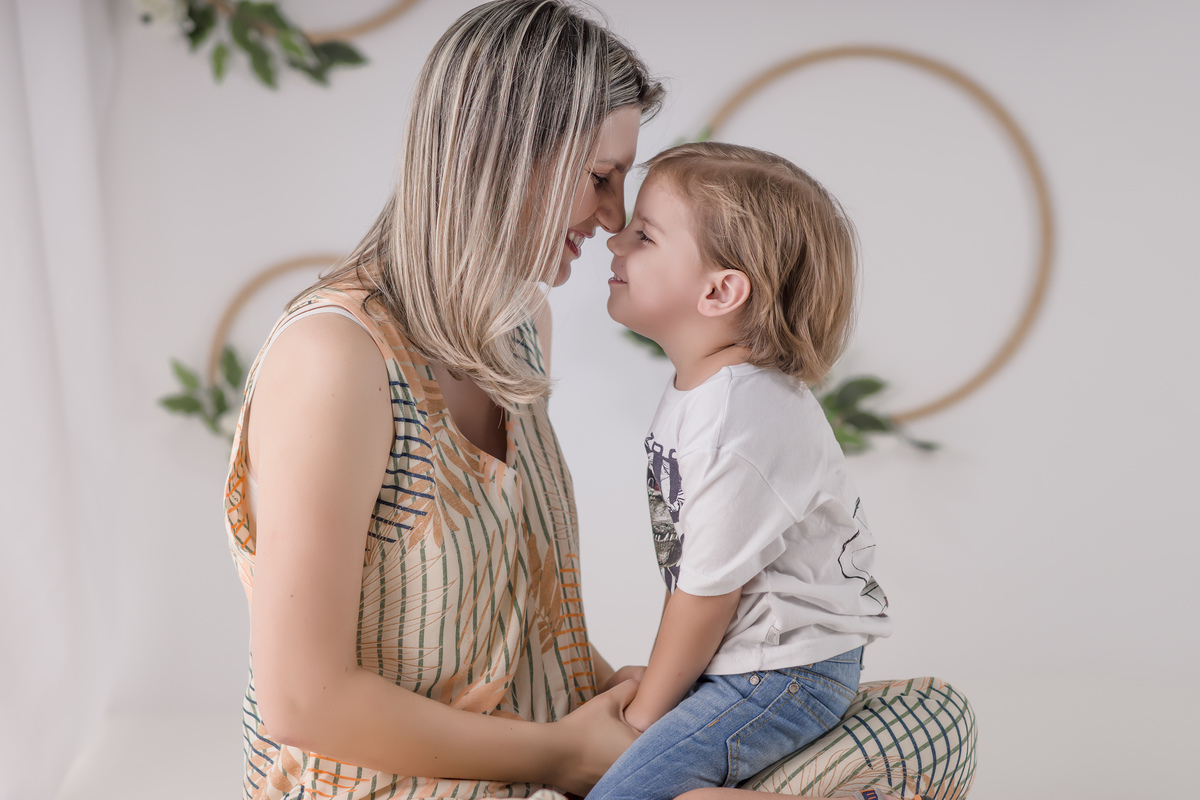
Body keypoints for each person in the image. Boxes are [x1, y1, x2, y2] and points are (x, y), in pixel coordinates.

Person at [223, 2, 664, 797]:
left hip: (524, 775)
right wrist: (562, 757)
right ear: (502, 154)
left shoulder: (520, 325)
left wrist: (614, 699)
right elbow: (304, 700)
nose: (614, 218)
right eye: (601, 178)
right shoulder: (336, 357)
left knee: (902, 731)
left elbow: (504, 616)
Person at [587, 142, 894, 800]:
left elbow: (706, 596)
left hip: (785, 676)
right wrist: (669, 687)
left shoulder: (738, 415)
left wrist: (645, 718)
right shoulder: (710, 392)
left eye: (644, 235)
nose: (614, 240)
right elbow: (697, 576)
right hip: (756, 664)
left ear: (719, 291)